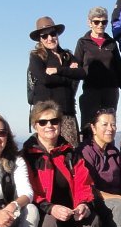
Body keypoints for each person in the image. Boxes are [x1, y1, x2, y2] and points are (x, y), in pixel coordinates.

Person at [21, 101, 100, 227]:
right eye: (43, 121)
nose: (49, 125)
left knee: (91, 220)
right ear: (35, 125)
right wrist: (51, 208)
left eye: (54, 121)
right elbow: (29, 191)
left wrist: (84, 204)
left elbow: (84, 182)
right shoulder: (27, 156)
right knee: (50, 222)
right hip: (43, 213)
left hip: (72, 210)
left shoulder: (70, 153)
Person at [28, 16, 85, 145]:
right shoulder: (36, 56)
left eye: (52, 34)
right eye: (44, 36)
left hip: (67, 113)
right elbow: (45, 79)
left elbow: (81, 73)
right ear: (40, 39)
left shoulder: (67, 55)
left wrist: (58, 71)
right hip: (46, 116)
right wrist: (69, 73)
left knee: (71, 152)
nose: (50, 38)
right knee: (48, 151)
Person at [73, 6, 121, 131]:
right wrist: (72, 94)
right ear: (89, 23)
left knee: (108, 127)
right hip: (91, 91)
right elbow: (76, 70)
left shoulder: (112, 43)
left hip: (110, 92)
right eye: (96, 22)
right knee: (89, 126)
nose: (100, 25)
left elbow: (119, 70)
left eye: (104, 22)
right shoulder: (82, 43)